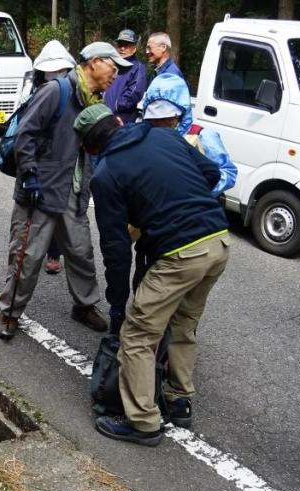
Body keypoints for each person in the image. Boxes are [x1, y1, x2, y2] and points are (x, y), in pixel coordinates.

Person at [77, 102, 230, 444]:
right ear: (119, 121)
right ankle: (179, 400)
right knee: (183, 323)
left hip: (180, 254)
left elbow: (116, 250)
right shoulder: (165, 137)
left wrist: (118, 304)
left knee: (138, 335)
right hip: (218, 242)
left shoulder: (107, 174)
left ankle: (143, 422)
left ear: (89, 148)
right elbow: (211, 174)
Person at [0, 42, 128, 340]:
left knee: (81, 251)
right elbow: (25, 134)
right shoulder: (57, 91)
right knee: (26, 255)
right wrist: (29, 174)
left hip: (75, 189)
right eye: (113, 67)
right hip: (40, 190)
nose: (116, 74)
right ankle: (9, 312)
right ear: (94, 62)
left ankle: (84, 305)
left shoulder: (95, 100)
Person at [27, 40, 77, 276]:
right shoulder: (37, 88)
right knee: (40, 214)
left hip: (60, 164)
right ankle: (38, 258)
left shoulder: (71, 89)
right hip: (39, 164)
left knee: (56, 213)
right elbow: (25, 132)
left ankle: (53, 254)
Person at [142, 73, 236, 198]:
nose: (161, 122)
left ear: (181, 113)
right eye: (155, 117)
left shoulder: (204, 136)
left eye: (168, 116)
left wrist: (198, 187)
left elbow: (229, 173)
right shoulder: (146, 135)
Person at [104, 29, 148, 124]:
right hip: (104, 116)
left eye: (126, 45)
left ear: (134, 48)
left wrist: (115, 106)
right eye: (120, 44)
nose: (122, 48)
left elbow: (135, 93)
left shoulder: (138, 67)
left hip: (123, 119)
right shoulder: (112, 64)